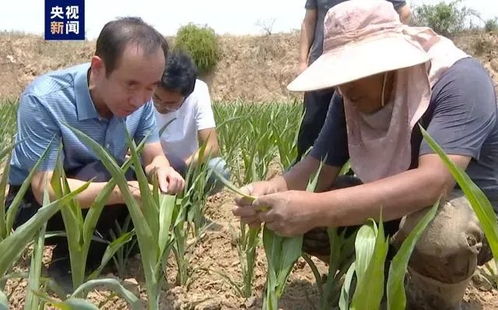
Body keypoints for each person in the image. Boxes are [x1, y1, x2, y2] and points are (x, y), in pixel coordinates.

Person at [233, 1, 497, 309]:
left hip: (464, 212)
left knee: (442, 235)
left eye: (355, 74)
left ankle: (428, 298)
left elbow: (432, 183)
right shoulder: (349, 96)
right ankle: (381, 277)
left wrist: (316, 208)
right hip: (396, 206)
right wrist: (272, 190)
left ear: (389, 63)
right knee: (306, 219)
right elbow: (316, 169)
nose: (344, 88)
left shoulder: (457, 80)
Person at [7, 17, 185, 275]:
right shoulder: (45, 99)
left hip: (103, 187)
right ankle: (67, 265)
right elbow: (46, 188)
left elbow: (154, 156)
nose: (140, 99)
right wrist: (128, 190)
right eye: (130, 84)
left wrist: (162, 170)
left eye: (151, 87)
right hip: (36, 207)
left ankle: (116, 252)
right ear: (98, 67)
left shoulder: (141, 101)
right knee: (105, 175)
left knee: (176, 166)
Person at [295, 0, 411, 161]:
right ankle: (307, 163)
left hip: (364, 68)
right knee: (313, 123)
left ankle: (353, 171)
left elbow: (404, 12)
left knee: (355, 120)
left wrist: (385, 42)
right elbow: (309, 21)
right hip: (324, 65)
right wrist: (302, 62)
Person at [153, 50, 230, 195]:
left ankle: (191, 203)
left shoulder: (199, 92)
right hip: (152, 168)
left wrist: (181, 167)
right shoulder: (145, 89)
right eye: (156, 98)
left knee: (219, 168)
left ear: (186, 95)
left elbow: (212, 147)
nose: (161, 106)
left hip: (186, 167)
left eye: (171, 103)